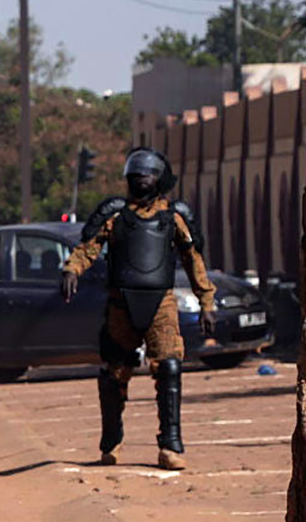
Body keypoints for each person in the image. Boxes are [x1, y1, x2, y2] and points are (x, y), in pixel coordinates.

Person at [61, 147, 214, 471]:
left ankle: (170, 445)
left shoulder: (174, 216)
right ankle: (111, 440)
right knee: (114, 373)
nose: (141, 179)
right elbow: (88, 249)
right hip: (120, 305)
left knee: (170, 368)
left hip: (162, 304)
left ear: (159, 179)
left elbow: (193, 261)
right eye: (136, 174)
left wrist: (206, 302)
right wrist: (72, 270)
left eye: (148, 174)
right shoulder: (115, 214)